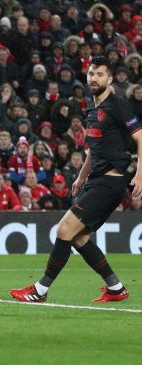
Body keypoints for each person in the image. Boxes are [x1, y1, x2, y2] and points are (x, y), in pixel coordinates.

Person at [11, 57, 142, 303]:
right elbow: (94, 148)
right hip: (96, 180)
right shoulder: (93, 109)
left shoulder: (119, 105)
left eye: (100, 74)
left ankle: (40, 291)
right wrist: (81, 176)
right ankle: (116, 288)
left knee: (64, 229)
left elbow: (141, 138)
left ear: (110, 79)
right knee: (79, 237)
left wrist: (140, 175)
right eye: (91, 73)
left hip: (110, 182)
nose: (94, 78)